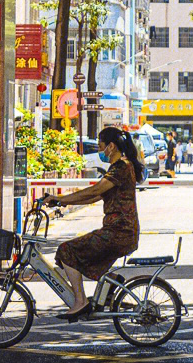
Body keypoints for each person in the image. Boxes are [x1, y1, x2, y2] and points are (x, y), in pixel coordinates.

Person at [53, 125, 143, 320]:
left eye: (101, 146)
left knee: (67, 250)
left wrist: (60, 199)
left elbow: (94, 191)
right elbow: (94, 197)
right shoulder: (120, 167)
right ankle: (111, 283)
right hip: (119, 230)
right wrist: (62, 201)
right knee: (84, 253)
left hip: (119, 232)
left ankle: (80, 302)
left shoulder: (121, 168)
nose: (100, 151)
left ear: (111, 146)